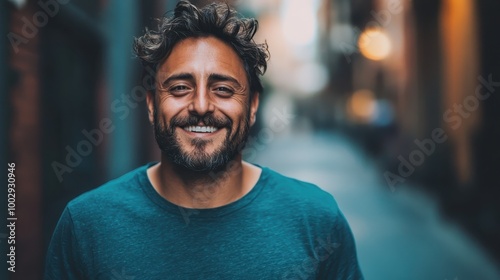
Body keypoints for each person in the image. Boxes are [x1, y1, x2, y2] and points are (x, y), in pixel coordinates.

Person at [44, 1, 363, 279]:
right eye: (180, 87)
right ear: (153, 105)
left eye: (223, 89)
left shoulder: (317, 221)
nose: (200, 106)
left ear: (252, 107)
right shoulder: (86, 225)